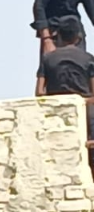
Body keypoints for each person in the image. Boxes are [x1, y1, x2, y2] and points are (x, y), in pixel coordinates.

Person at [36, 16, 94, 158]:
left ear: (59, 36)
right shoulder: (88, 58)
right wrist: (82, 100)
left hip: (56, 115)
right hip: (87, 114)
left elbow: (39, 92)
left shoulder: (48, 59)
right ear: (78, 38)